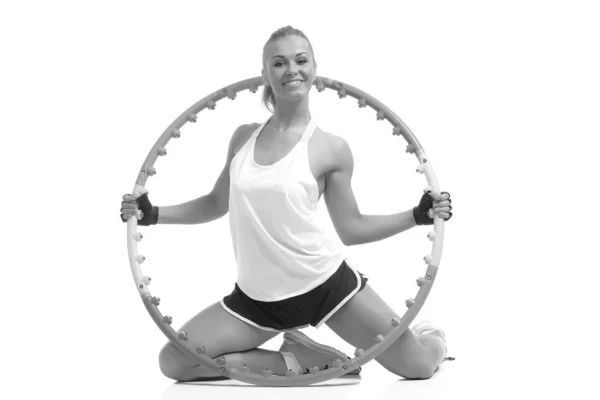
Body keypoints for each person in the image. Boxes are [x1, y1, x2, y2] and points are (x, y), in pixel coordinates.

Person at [120, 26, 453, 381]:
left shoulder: (330, 148)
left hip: (325, 286)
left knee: (418, 366)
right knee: (175, 361)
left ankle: (434, 339)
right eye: (278, 63)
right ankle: (297, 359)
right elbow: (217, 203)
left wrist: (416, 216)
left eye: (300, 60)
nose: (291, 69)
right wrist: (153, 214)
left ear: (313, 70)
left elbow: (352, 228)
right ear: (265, 74)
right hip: (256, 299)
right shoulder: (243, 137)